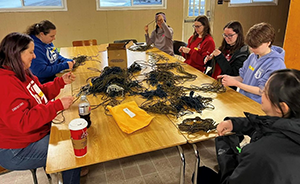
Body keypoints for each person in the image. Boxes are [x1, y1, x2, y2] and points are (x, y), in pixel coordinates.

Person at [0, 32, 80, 184]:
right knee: (71, 152)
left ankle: (71, 171)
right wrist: (56, 105)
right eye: (31, 52)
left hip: (32, 135)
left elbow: (39, 93)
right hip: (16, 149)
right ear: (17, 54)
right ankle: (71, 170)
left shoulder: (21, 72)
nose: (34, 56)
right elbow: (23, 121)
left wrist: (60, 82)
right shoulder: (4, 83)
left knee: (71, 133)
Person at [214, 69, 300, 184]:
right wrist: (234, 123)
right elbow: (269, 124)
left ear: (282, 108)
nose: (262, 94)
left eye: (265, 91)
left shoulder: (261, 153)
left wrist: (224, 151)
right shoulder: (291, 123)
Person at [219, 22, 286, 103]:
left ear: (268, 42)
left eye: (255, 47)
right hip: (243, 99)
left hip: (258, 105)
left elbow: (262, 91)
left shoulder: (276, 64)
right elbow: (243, 77)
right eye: (250, 46)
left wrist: (237, 84)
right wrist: (230, 79)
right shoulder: (253, 56)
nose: (251, 49)